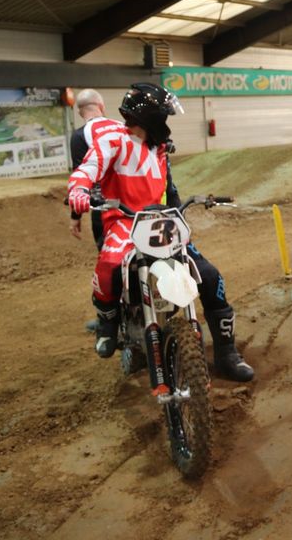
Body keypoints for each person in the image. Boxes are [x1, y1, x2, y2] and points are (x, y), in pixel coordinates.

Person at [68, 83, 254, 382]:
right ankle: (107, 323)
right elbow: (87, 169)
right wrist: (78, 190)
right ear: (149, 118)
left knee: (210, 275)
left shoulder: (159, 148)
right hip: (124, 223)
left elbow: (170, 189)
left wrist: (180, 212)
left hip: (163, 224)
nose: (167, 125)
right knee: (110, 268)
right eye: (164, 117)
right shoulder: (113, 140)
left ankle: (227, 353)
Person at [68, 89, 117, 249]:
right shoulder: (121, 127)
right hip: (135, 202)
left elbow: (81, 178)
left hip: (105, 207)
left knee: (109, 259)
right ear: (101, 106)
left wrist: (76, 216)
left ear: (80, 112)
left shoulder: (79, 136)